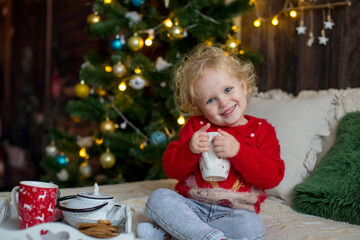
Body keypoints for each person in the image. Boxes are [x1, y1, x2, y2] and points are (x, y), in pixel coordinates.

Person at [137, 44, 285, 240]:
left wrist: (238, 151)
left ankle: (172, 235)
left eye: (228, 89)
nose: (223, 102)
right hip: (192, 206)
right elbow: (172, 170)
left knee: (253, 227)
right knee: (158, 198)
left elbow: (272, 177)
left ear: (243, 85)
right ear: (198, 107)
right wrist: (189, 149)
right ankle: (207, 237)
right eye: (210, 101)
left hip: (236, 212)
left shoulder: (261, 130)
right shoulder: (196, 126)